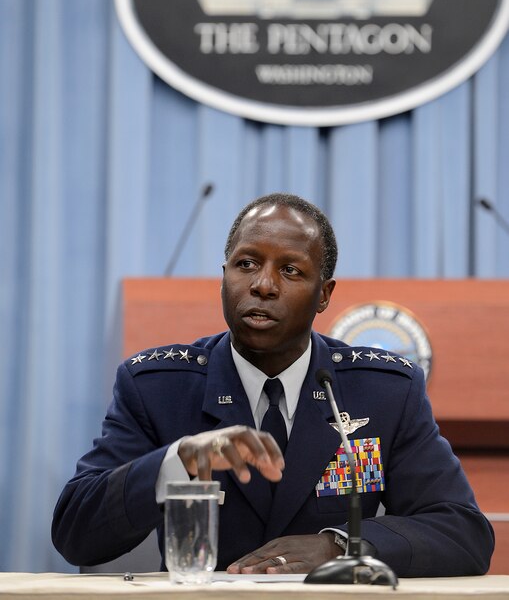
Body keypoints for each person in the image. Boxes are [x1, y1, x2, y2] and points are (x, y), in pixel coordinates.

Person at [52, 193, 494, 577]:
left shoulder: (383, 391)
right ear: (223, 277)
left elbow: (462, 530)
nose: (262, 285)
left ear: (324, 294)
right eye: (246, 264)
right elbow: (75, 534)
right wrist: (175, 461)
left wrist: (340, 546)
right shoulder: (157, 386)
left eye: (290, 271)